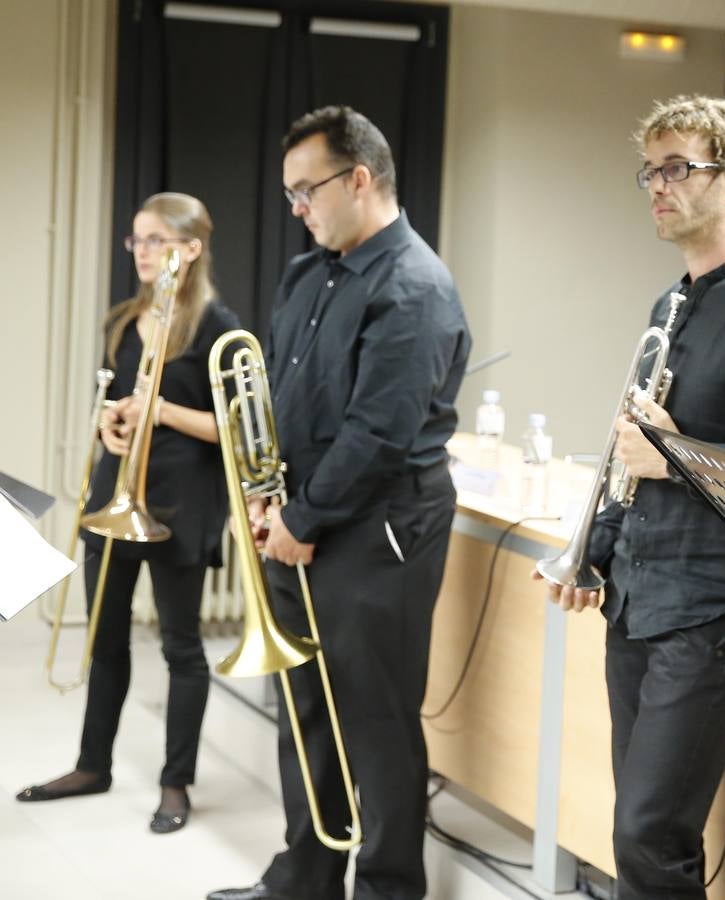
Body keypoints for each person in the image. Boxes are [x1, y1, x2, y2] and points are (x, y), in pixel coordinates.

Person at [533, 95, 725, 899]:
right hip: (640, 596)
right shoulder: (670, 302)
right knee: (636, 829)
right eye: (650, 170)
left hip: (713, 610)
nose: (657, 185)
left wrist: (679, 457)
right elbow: (630, 452)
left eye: (679, 168)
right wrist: (593, 550)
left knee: (651, 832)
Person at [207, 106, 470, 900]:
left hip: (382, 527)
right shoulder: (308, 272)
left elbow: (378, 433)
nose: (297, 209)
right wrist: (264, 500)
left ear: (359, 179)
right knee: (305, 706)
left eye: (307, 191)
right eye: (289, 194)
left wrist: (300, 519)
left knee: (377, 719)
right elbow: (284, 401)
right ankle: (306, 876)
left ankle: (388, 888)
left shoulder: (414, 285)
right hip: (305, 516)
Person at [16, 192, 240, 835]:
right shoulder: (124, 321)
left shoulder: (216, 325)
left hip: (183, 504)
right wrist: (112, 425)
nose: (142, 253)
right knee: (105, 639)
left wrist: (161, 409)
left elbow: (234, 427)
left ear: (191, 249)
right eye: (136, 241)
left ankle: (176, 782)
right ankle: (93, 765)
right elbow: (112, 404)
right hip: (116, 496)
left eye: (156, 241)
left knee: (180, 648)